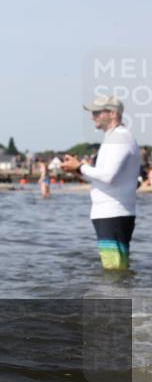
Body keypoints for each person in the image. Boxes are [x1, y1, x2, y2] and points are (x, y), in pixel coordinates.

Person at [61, 95, 141, 270]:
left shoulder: (120, 137)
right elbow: (102, 177)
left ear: (112, 113)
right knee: (114, 268)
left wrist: (80, 166)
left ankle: (118, 296)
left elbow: (108, 176)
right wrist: (76, 170)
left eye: (97, 112)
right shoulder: (113, 138)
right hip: (109, 212)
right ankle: (119, 295)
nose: (92, 117)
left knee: (114, 270)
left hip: (114, 212)